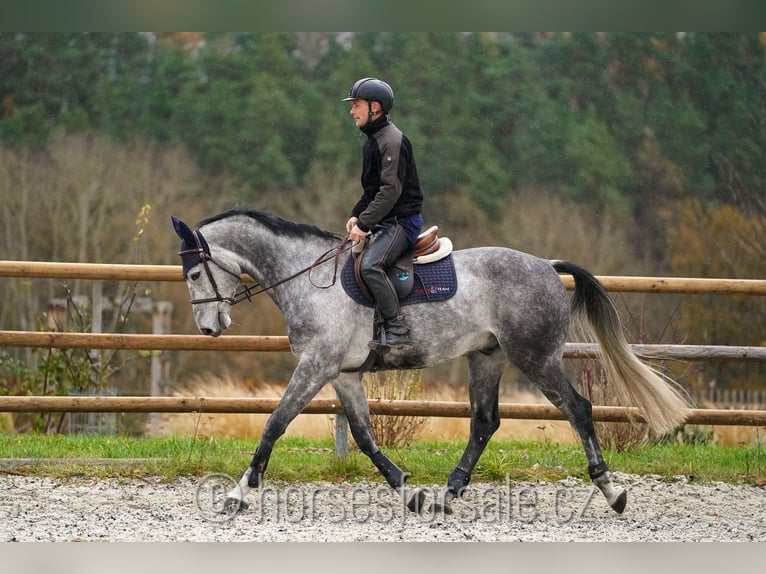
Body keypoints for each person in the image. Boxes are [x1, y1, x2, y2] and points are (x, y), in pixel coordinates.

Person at [342, 77, 424, 351]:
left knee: (370, 266)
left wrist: (365, 223)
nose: (352, 111)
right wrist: (356, 214)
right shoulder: (374, 142)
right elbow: (372, 191)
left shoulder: (391, 141)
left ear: (374, 107)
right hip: (387, 220)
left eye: (356, 105)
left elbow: (390, 191)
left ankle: (398, 328)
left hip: (403, 222)